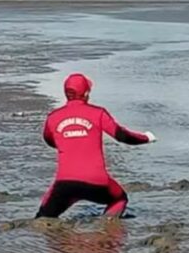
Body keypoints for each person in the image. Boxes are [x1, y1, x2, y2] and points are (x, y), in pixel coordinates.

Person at [36, 73, 156, 219]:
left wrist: (70, 140)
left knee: (43, 217)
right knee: (120, 198)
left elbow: (49, 140)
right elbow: (122, 136)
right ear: (86, 93)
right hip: (97, 182)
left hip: (64, 183)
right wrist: (146, 138)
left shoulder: (53, 117)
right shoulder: (98, 113)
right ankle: (106, 230)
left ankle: (40, 241)